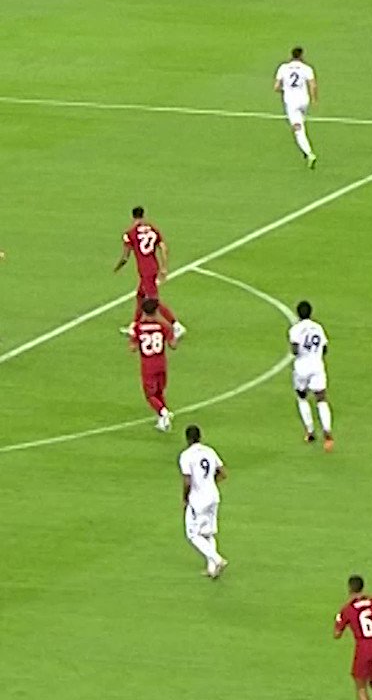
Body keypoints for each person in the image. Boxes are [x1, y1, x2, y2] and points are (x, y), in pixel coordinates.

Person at [114, 207, 186, 338]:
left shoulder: (130, 233)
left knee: (153, 301)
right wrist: (164, 267)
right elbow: (163, 247)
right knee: (140, 296)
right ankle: (134, 327)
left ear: (133, 217)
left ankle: (176, 326)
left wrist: (118, 267)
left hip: (145, 270)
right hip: (153, 266)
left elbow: (125, 257)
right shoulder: (152, 229)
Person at [178, 424, 228, 578]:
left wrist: (185, 498)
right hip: (213, 496)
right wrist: (210, 483)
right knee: (208, 532)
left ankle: (217, 559)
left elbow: (187, 480)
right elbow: (223, 473)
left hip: (198, 500)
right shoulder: (209, 451)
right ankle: (212, 569)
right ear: (200, 437)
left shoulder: (186, 455)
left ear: (187, 439)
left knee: (193, 534)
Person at [289, 300, 334, 451]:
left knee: (302, 396)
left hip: (302, 366)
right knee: (321, 398)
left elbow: (295, 350)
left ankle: (310, 431)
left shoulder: (295, 329)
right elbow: (325, 347)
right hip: (317, 365)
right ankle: (327, 432)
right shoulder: (318, 327)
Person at [131, 297, 178, 431]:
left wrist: (134, 339)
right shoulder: (163, 326)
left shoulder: (138, 328)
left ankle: (163, 412)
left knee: (150, 395)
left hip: (148, 366)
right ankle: (163, 420)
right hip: (161, 364)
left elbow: (132, 348)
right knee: (159, 391)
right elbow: (173, 345)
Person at [273, 46, 318, 168]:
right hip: (304, 100)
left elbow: (276, 87)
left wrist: (284, 89)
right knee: (300, 122)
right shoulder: (307, 68)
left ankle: (309, 153)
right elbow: (313, 85)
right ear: (301, 56)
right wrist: (314, 99)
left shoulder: (283, 68)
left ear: (291, 56)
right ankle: (304, 149)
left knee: (298, 130)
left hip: (291, 103)